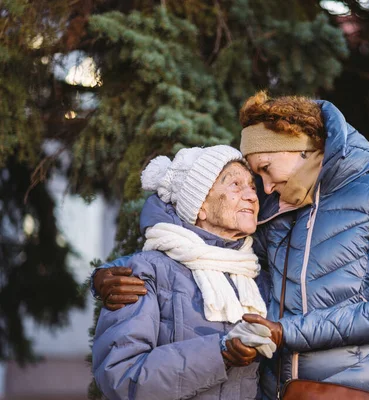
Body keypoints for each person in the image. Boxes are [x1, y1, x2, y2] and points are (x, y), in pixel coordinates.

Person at [94, 92, 369, 399]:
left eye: (265, 170)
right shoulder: (275, 215)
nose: (263, 189)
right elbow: (197, 233)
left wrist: (285, 332)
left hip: (357, 391)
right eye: (256, 179)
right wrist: (104, 279)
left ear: (299, 147)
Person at [92, 145, 277, 400]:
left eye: (252, 187)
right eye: (235, 184)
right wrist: (219, 353)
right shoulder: (146, 272)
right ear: (199, 205)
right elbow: (121, 377)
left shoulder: (259, 278)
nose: (252, 196)